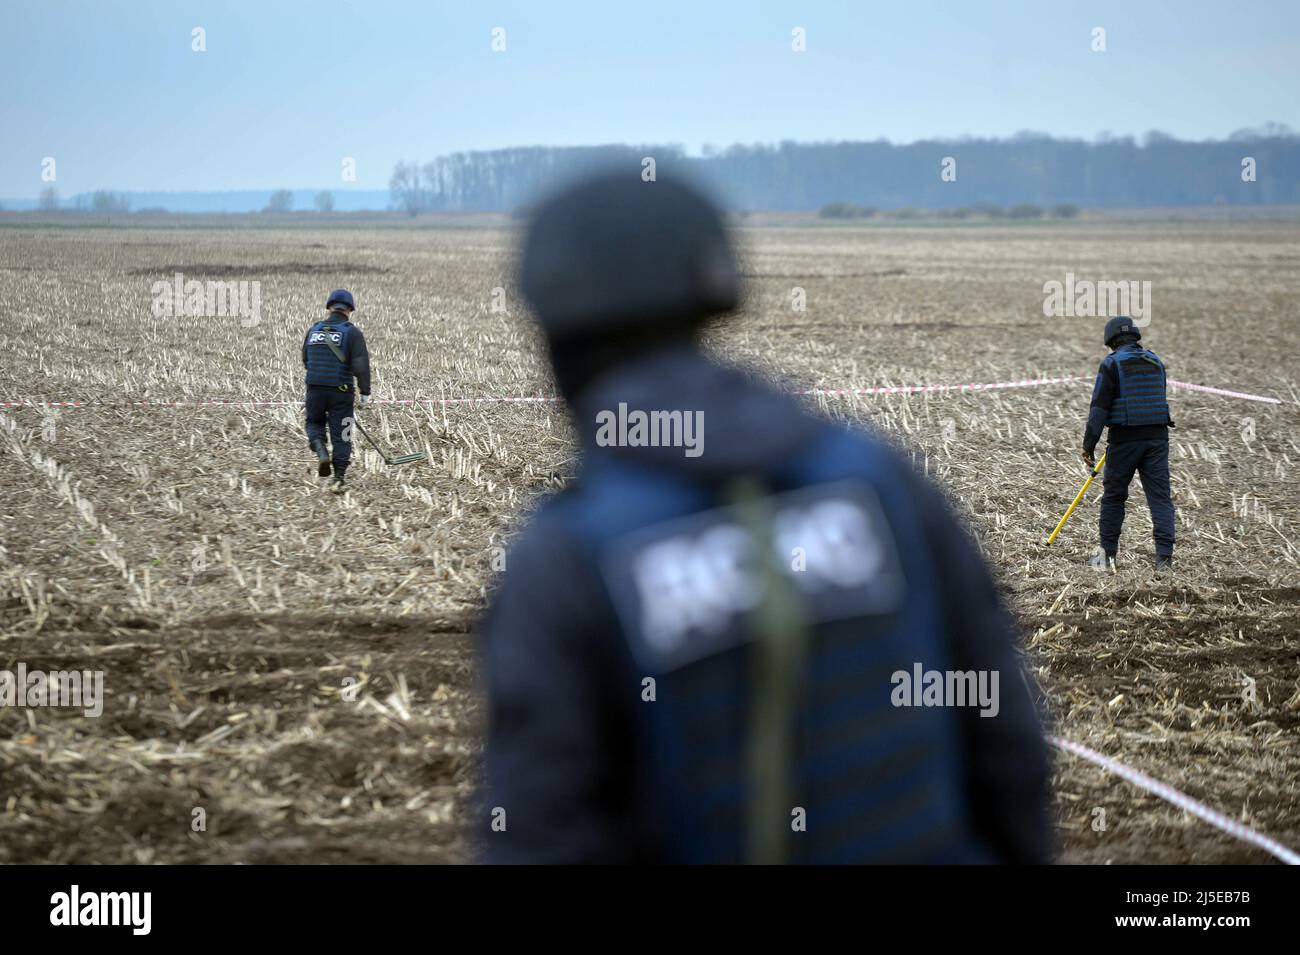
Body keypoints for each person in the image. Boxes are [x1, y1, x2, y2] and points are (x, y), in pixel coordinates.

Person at [479, 172, 1051, 864]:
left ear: (554, 336)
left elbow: (541, 832)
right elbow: (1007, 742)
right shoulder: (878, 476)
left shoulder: (569, 553)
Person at [1081, 317, 1175, 572]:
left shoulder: (1111, 363)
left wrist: (1088, 445)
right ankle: (1164, 560)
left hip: (1124, 440)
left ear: (1110, 340)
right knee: (1160, 499)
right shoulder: (1156, 362)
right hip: (1158, 438)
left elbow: (1099, 409)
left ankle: (1107, 557)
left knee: (1113, 497)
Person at [303, 289, 371, 493]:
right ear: (350, 309)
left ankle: (321, 449)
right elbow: (360, 365)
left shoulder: (314, 330)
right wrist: (365, 391)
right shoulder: (351, 332)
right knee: (343, 432)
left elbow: (306, 359)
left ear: (329, 307)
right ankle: (339, 478)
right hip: (341, 391)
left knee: (314, 423)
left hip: (314, 388)